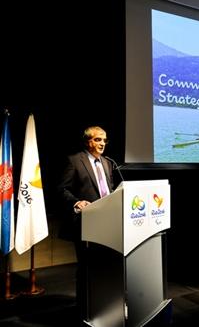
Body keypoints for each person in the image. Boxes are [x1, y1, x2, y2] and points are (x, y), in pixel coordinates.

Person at [57, 126, 114, 321]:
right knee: (87, 267)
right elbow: (61, 189)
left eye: (104, 140)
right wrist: (76, 202)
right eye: (98, 140)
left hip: (107, 222)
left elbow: (110, 191)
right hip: (85, 222)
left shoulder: (107, 163)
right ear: (88, 141)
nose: (102, 144)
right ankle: (84, 309)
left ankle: (103, 303)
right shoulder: (74, 161)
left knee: (105, 265)